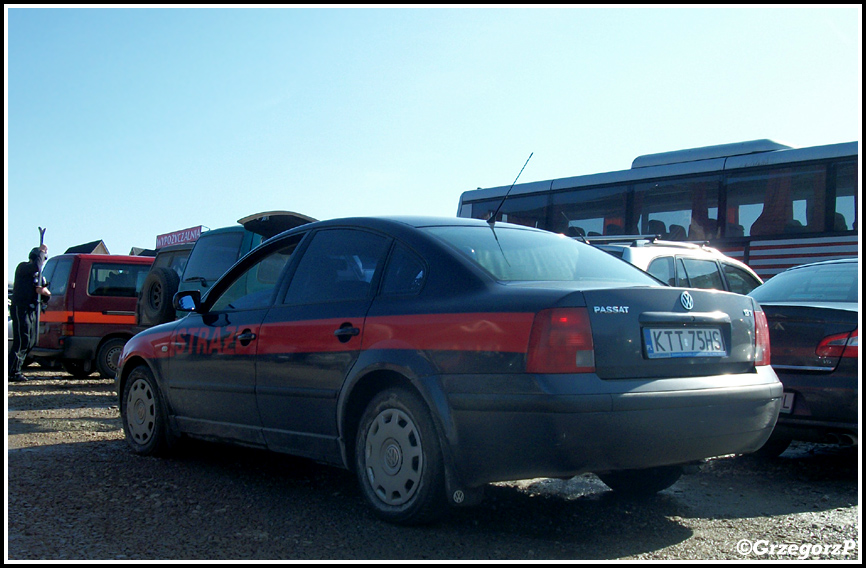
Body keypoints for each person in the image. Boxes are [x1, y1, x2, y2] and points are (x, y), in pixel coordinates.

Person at [9, 245, 51, 382]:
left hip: (32, 310)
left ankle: (16, 369)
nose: (42, 261)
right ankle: (12, 371)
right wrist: (41, 251)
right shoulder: (23, 268)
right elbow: (35, 267)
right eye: (41, 258)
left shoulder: (39, 277)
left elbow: (45, 294)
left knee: (31, 341)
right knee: (22, 340)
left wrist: (45, 294)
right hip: (21, 308)